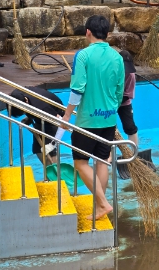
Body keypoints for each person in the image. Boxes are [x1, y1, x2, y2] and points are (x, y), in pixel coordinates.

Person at [61, 15, 124, 220]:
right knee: (102, 162)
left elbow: (77, 89)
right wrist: (111, 110)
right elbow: (119, 91)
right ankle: (99, 207)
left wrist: (67, 115)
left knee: (80, 163)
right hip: (109, 119)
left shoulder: (83, 55)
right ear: (107, 33)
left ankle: (103, 204)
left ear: (88, 32)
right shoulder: (117, 57)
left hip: (88, 121)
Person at [9, 86, 65, 165]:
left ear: (26, 101)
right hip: (40, 116)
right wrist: (29, 118)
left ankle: (55, 171)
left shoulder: (42, 107)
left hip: (53, 119)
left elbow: (62, 123)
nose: (24, 113)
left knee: (48, 151)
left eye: (24, 112)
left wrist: (52, 144)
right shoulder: (16, 96)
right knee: (38, 149)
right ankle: (48, 170)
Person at [118, 50, 139, 147]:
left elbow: (128, 94)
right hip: (108, 102)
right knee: (107, 128)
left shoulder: (131, 75)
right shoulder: (110, 71)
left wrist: (116, 103)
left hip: (124, 102)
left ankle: (134, 152)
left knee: (130, 127)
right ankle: (108, 153)